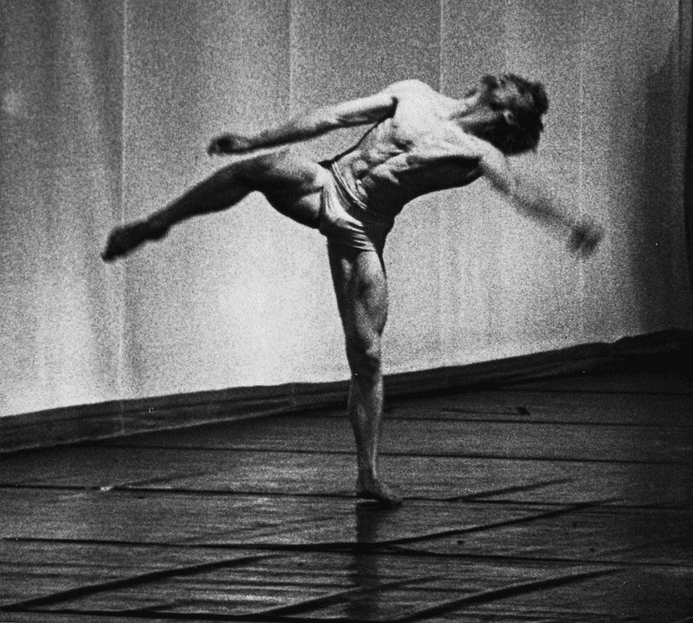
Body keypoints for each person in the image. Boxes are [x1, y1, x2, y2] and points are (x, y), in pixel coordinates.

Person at [102, 74, 602, 505]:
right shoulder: (414, 95)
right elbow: (331, 118)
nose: (498, 83)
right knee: (260, 168)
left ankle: (368, 473)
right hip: (324, 186)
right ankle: (156, 222)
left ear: (506, 115)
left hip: (363, 229)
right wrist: (254, 139)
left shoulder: (478, 153)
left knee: (367, 354)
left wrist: (568, 223)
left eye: (510, 95)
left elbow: (518, 192)